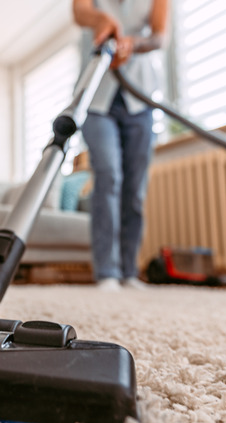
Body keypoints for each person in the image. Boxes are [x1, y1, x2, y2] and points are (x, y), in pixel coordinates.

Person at [72, 0, 169, 292]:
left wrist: (132, 44)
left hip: (139, 98)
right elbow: (79, 12)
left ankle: (129, 271)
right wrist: (102, 19)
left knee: (135, 188)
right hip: (96, 98)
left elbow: (159, 37)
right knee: (109, 175)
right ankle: (107, 272)